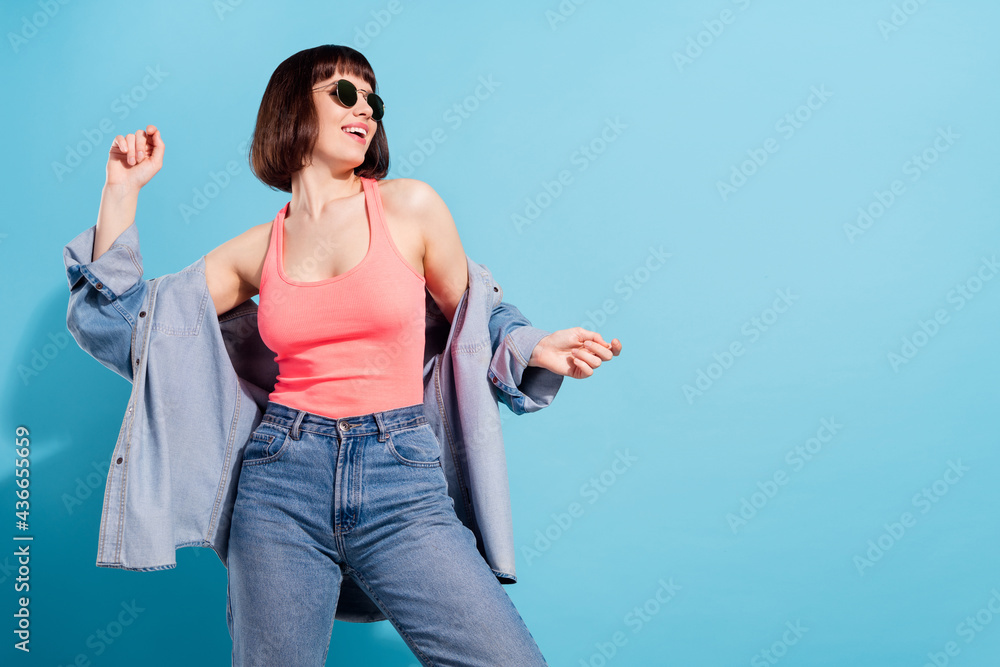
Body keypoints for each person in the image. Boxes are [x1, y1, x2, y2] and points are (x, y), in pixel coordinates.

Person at [93, 44, 621, 666]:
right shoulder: (258, 248)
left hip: (400, 474)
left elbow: (476, 313)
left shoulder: (409, 207)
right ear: (293, 110)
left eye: (373, 98)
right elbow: (135, 328)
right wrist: (120, 192)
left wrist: (534, 345)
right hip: (280, 478)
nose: (365, 107)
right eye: (345, 93)